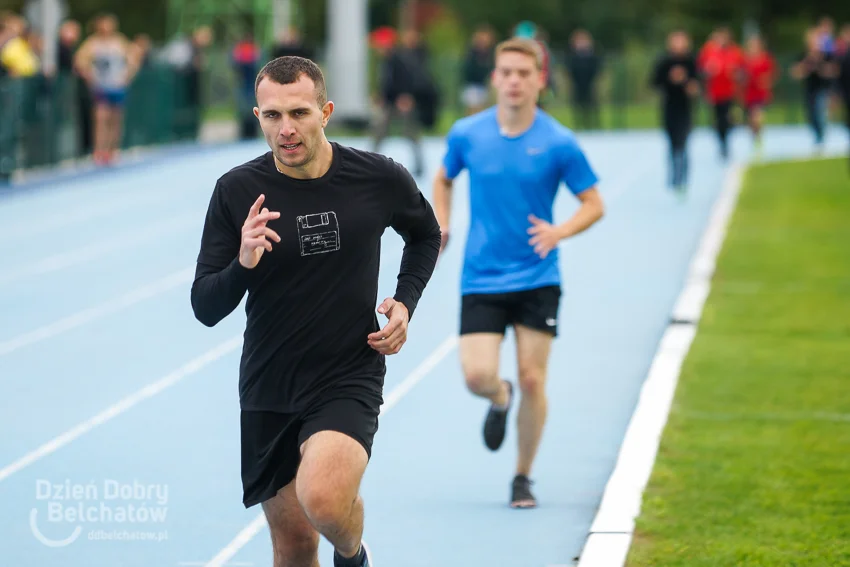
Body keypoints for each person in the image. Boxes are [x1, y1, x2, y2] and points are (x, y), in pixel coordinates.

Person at [191, 56, 442, 567]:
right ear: (257, 115)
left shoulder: (378, 177)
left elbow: (425, 234)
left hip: (347, 371)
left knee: (325, 501)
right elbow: (205, 306)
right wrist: (242, 263)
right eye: (272, 116)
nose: (286, 129)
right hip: (269, 383)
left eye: (300, 113)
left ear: (326, 111)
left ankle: (351, 553)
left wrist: (405, 302)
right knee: (295, 545)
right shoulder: (236, 191)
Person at [431, 37, 605, 509]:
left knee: (534, 378)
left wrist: (560, 231)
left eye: (524, 73)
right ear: (494, 79)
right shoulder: (467, 134)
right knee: (477, 376)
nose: (513, 80)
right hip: (481, 276)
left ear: (539, 80)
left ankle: (522, 477)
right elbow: (443, 177)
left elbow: (594, 204)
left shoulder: (559, 141)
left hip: (537, 276)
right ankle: (498, 396)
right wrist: (442, 221)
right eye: (506, 72)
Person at [73, 13, 140, 165]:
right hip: (101, 86)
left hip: (117, 85)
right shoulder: (93, 43)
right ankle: (99, 150)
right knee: (101, 118)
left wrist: (126, 77)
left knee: (115, 119)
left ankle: (113, 149)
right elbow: (79, 60)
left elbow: (134, 59)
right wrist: (89, 76)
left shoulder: (119, 42)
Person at [651, 29, 699, 194]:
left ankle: (683, 179)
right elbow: (654, 82)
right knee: (672, 145)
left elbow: (697, 85)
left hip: (686, 109)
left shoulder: (691, 62)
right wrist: (670, 79)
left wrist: (686, 82)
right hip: (669, 108)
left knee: (683, 143)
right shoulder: (664, 62)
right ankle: (674, 176)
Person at [697, 26, 745, 160]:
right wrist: (708, 70)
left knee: (727, 117)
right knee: (718, 119)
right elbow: (700, 71)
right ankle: (722, 143)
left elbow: (742, 71)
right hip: (714, 92)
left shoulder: (735, 52)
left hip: (730, 91)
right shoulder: (708, 51)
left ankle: (726, 140)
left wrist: (736, 74)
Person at [741, 34, 778, 156]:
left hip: (760, 93)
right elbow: (740, 75)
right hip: (748, 94)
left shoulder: (765, 59)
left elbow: (772, 75)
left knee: (757, 117)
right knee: (751, 121)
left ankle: (758, 138)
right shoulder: (745, 60)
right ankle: (755, 137)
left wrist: (765, 81)